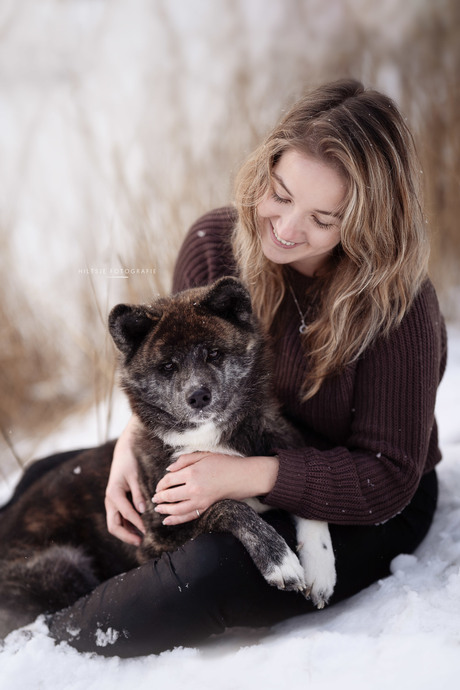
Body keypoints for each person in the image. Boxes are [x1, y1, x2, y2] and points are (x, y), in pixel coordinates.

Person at [47, 78, 447, 657]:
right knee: (54, 478)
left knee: (202, 573)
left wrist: (244, 477)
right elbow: (176, 367)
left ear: (367, 220)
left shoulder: (397, 305)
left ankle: (41, 649)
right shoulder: (217, 242)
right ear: (264, 171)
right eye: (280, 194)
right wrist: (130, 442)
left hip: (365, 500)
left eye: (323, 218)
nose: (285, 229)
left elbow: (385, 476)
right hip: (238, 445)